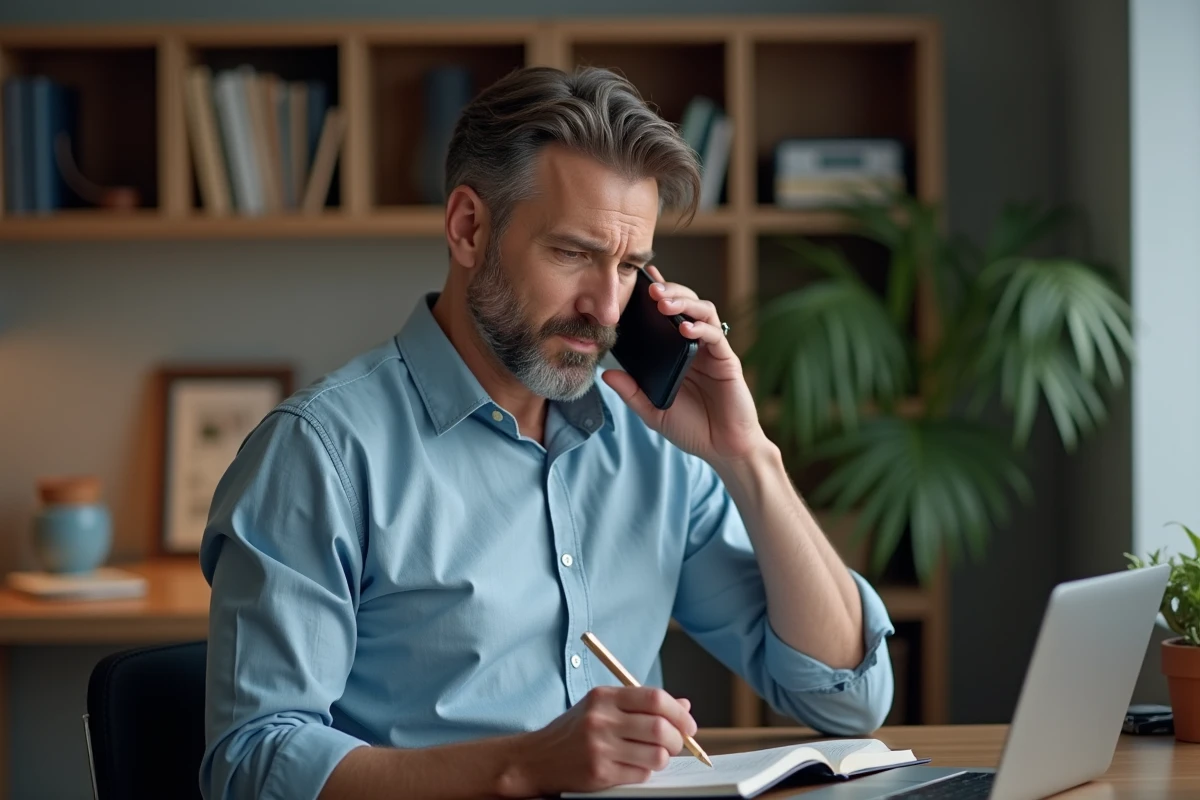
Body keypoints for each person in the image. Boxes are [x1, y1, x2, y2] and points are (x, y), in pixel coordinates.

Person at [198, 65, 895, 800]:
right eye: (573, 253)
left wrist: (750, 459)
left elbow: (844, 697)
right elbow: (251, 769)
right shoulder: (320, 456)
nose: (605, 306)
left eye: (630, 265)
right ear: (469, 228)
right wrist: (523, 766)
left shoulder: (653, 444)